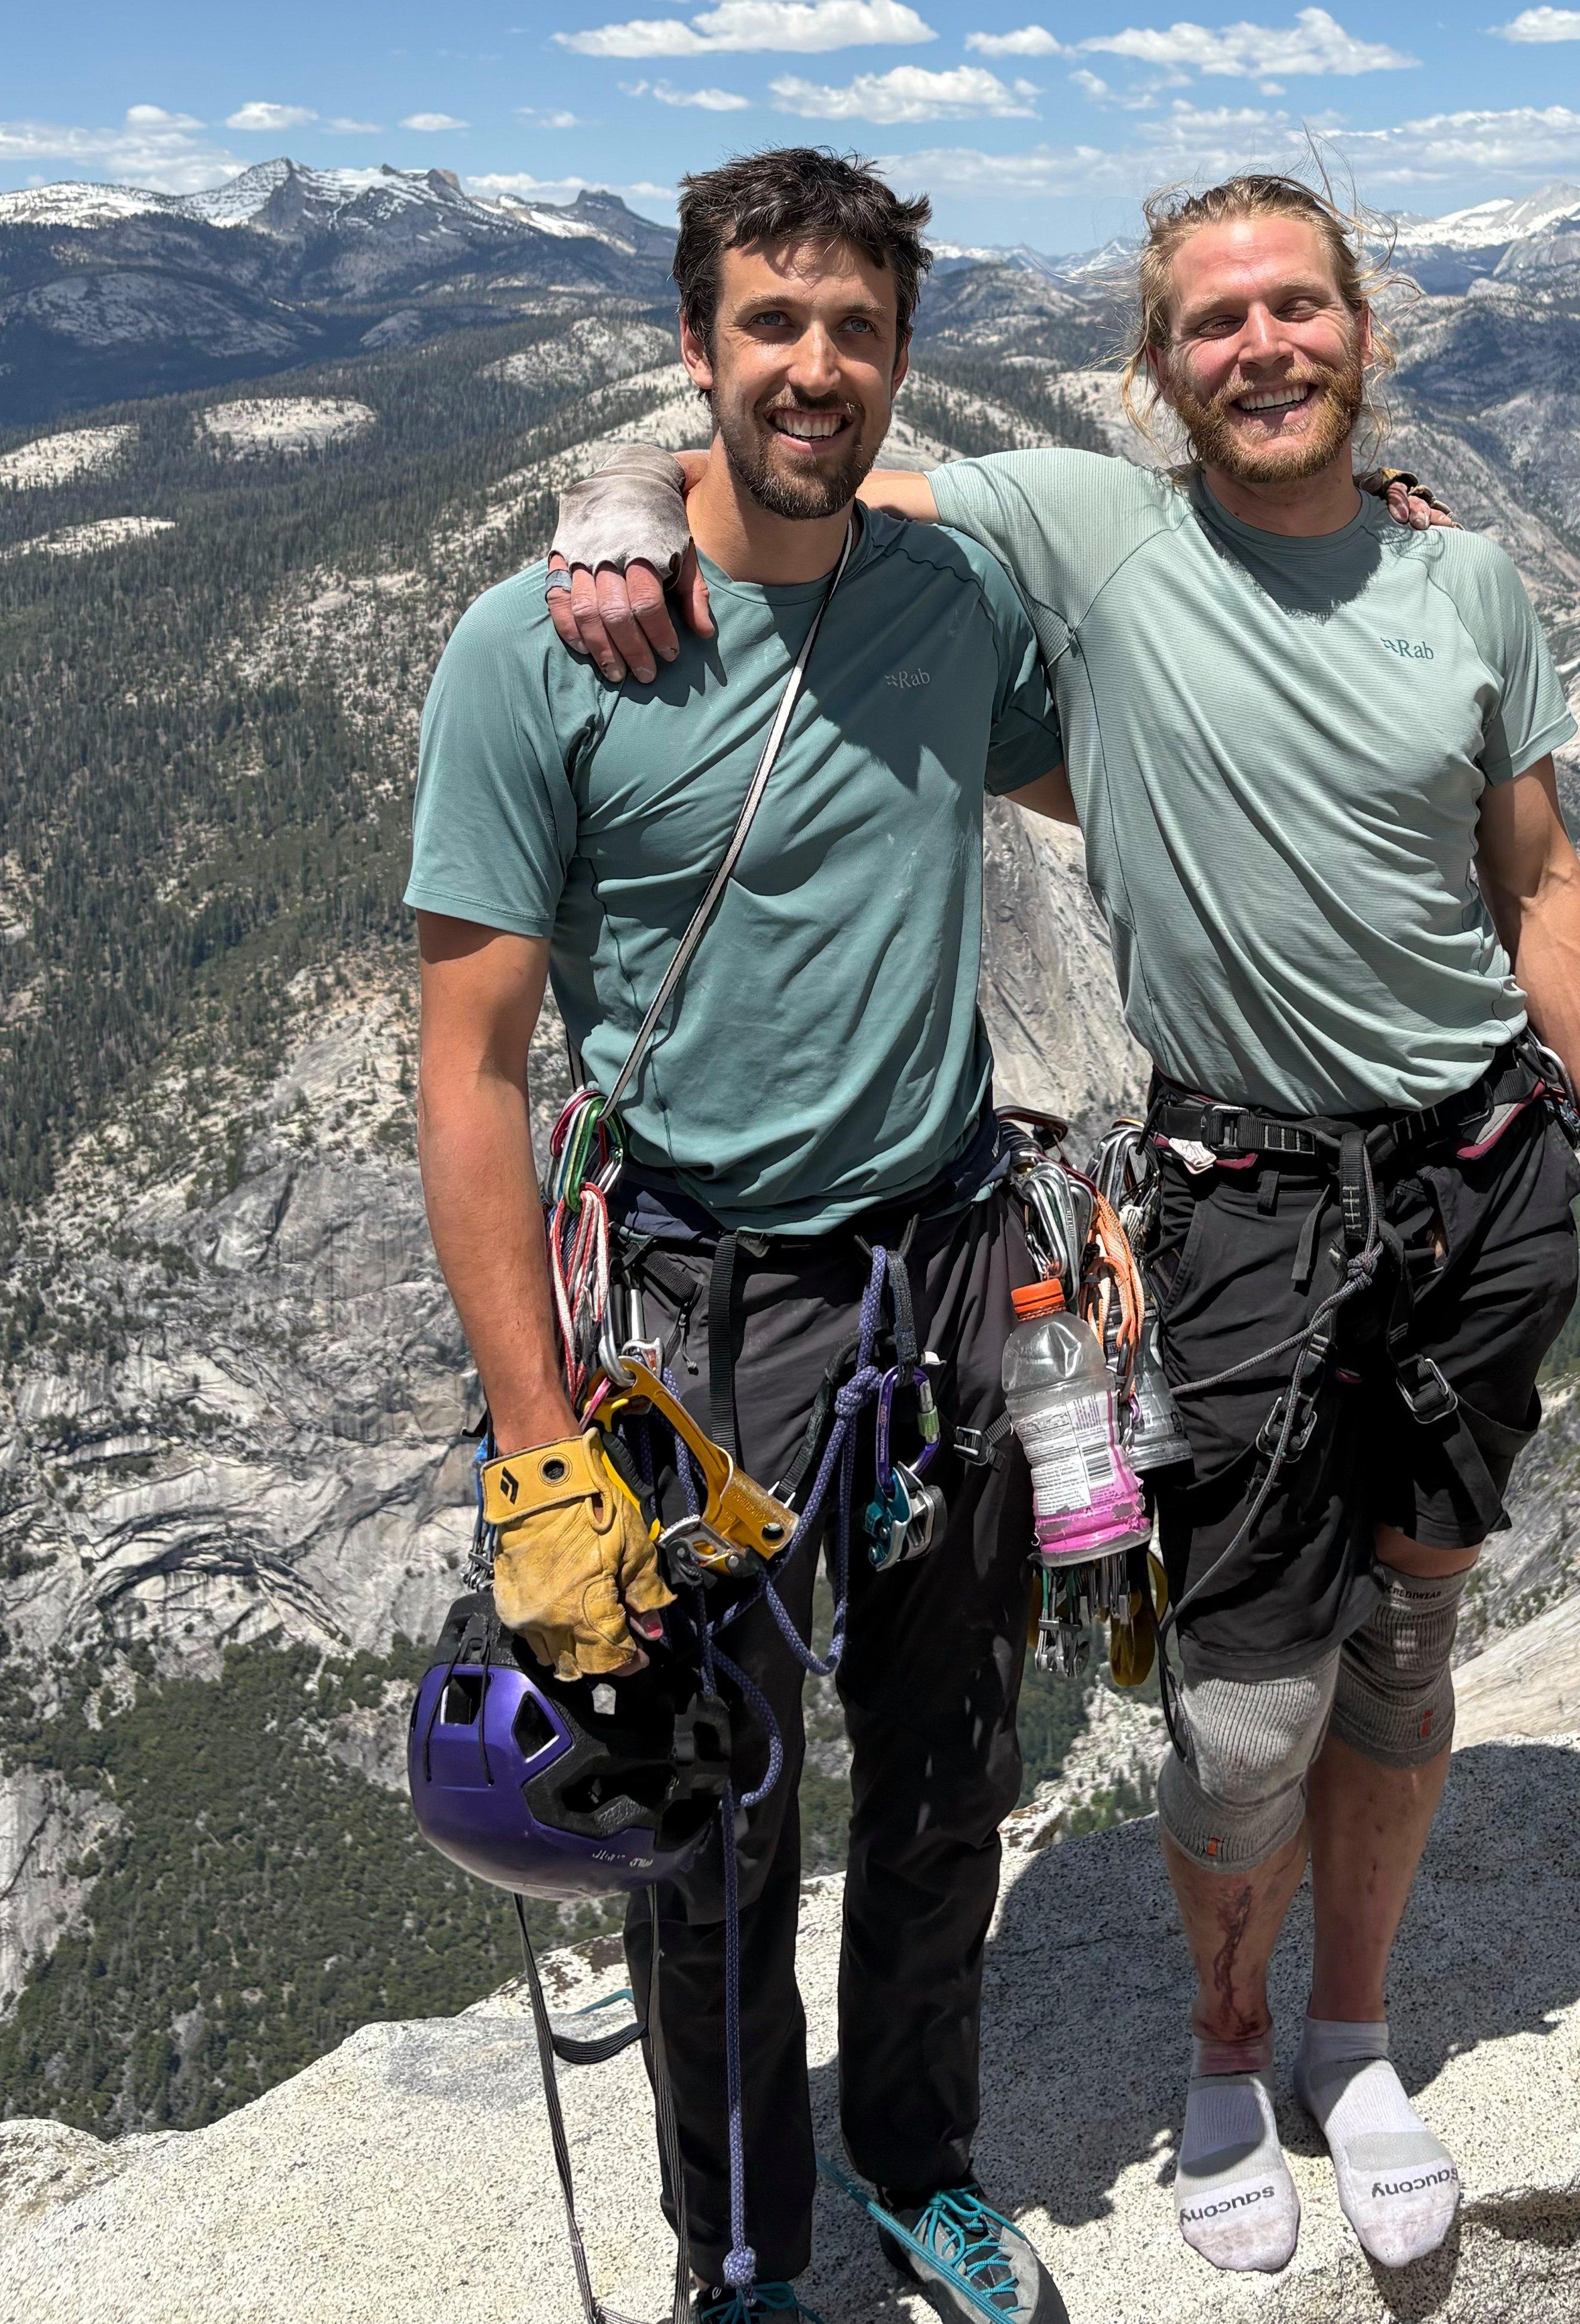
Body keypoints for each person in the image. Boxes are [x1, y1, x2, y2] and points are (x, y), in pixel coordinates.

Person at [544, 170, 1580, 2280]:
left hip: (1483, 1183)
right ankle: (1221, 2044)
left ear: (1363, 326)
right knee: (1245, 1703)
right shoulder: (1089, 528)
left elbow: (1540, 883)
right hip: (1240, 1206)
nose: (1262, 344)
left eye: (1297, 306)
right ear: (1156, 370)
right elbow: (804, 454)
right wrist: (617, 488)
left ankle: (1349, 2032)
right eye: (1213, 320)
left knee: (1411, 1640)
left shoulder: (1472, 584)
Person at [409, 148, 1078, 2324]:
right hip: (712, 1311)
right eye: (768, 327)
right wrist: (537, 1451)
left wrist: (1390, 535)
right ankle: (735, 2245)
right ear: (696, 351)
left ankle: (917, 2159)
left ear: (900, 358)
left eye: (853, 330)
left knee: (950, 1763)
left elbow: (1156, 725)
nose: (814, 368)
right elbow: (473, 1065)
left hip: (958, 1266)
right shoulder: (543, 652)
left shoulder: (951, 597)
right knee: (707, 1809)